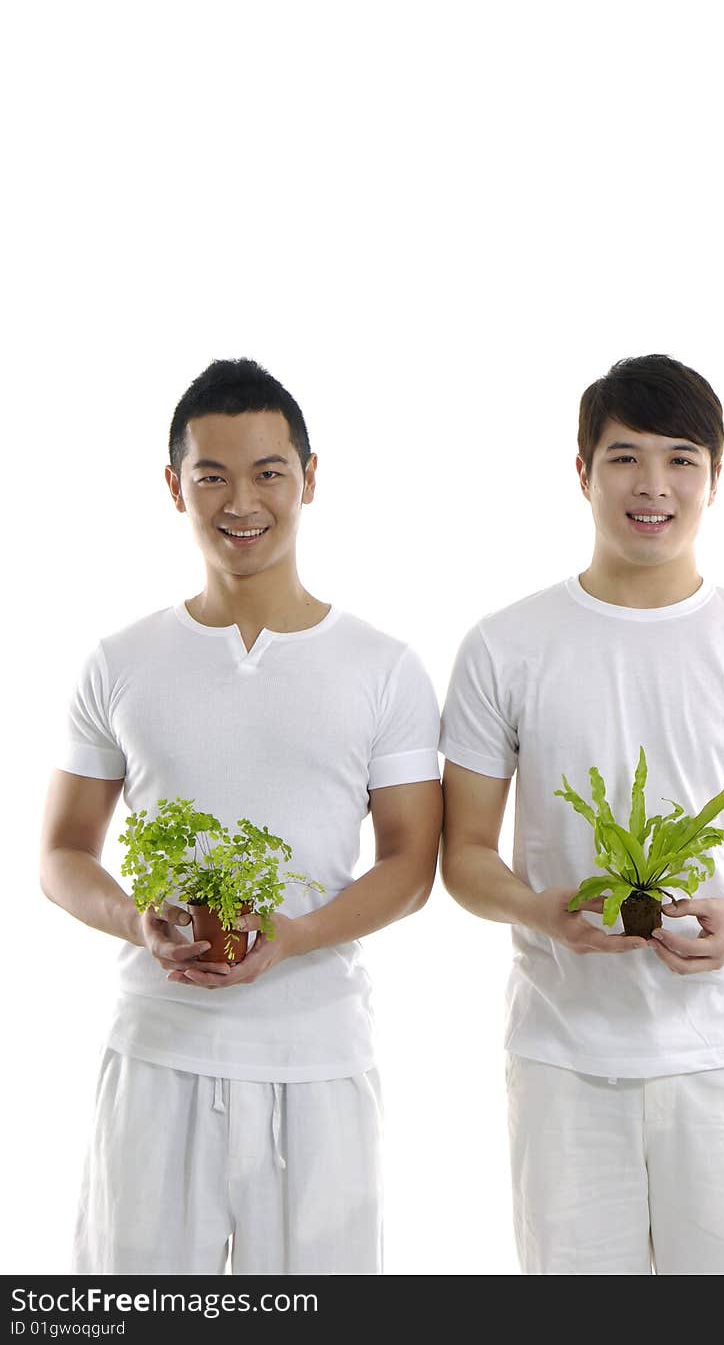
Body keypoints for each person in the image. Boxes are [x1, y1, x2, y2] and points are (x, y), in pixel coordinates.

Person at [439, 353, 724, 1275]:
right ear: (581, 472)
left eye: (681, 458)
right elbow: (463, 852)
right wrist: (543, 909)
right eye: (625, 457)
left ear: (714, 477)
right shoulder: (506, 645)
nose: (653, 486)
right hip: (564, 1056)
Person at [40, 357, 442, 1275]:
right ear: (174, 484)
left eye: (268, 471)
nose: (241, 500)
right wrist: (135, 920)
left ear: (309, 478)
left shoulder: (384, 667)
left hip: (319, 1055)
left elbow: (411, 864)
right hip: (157, 1052)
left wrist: (295, 937)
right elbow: (62, 851)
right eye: (212, 475)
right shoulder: (121, 660)